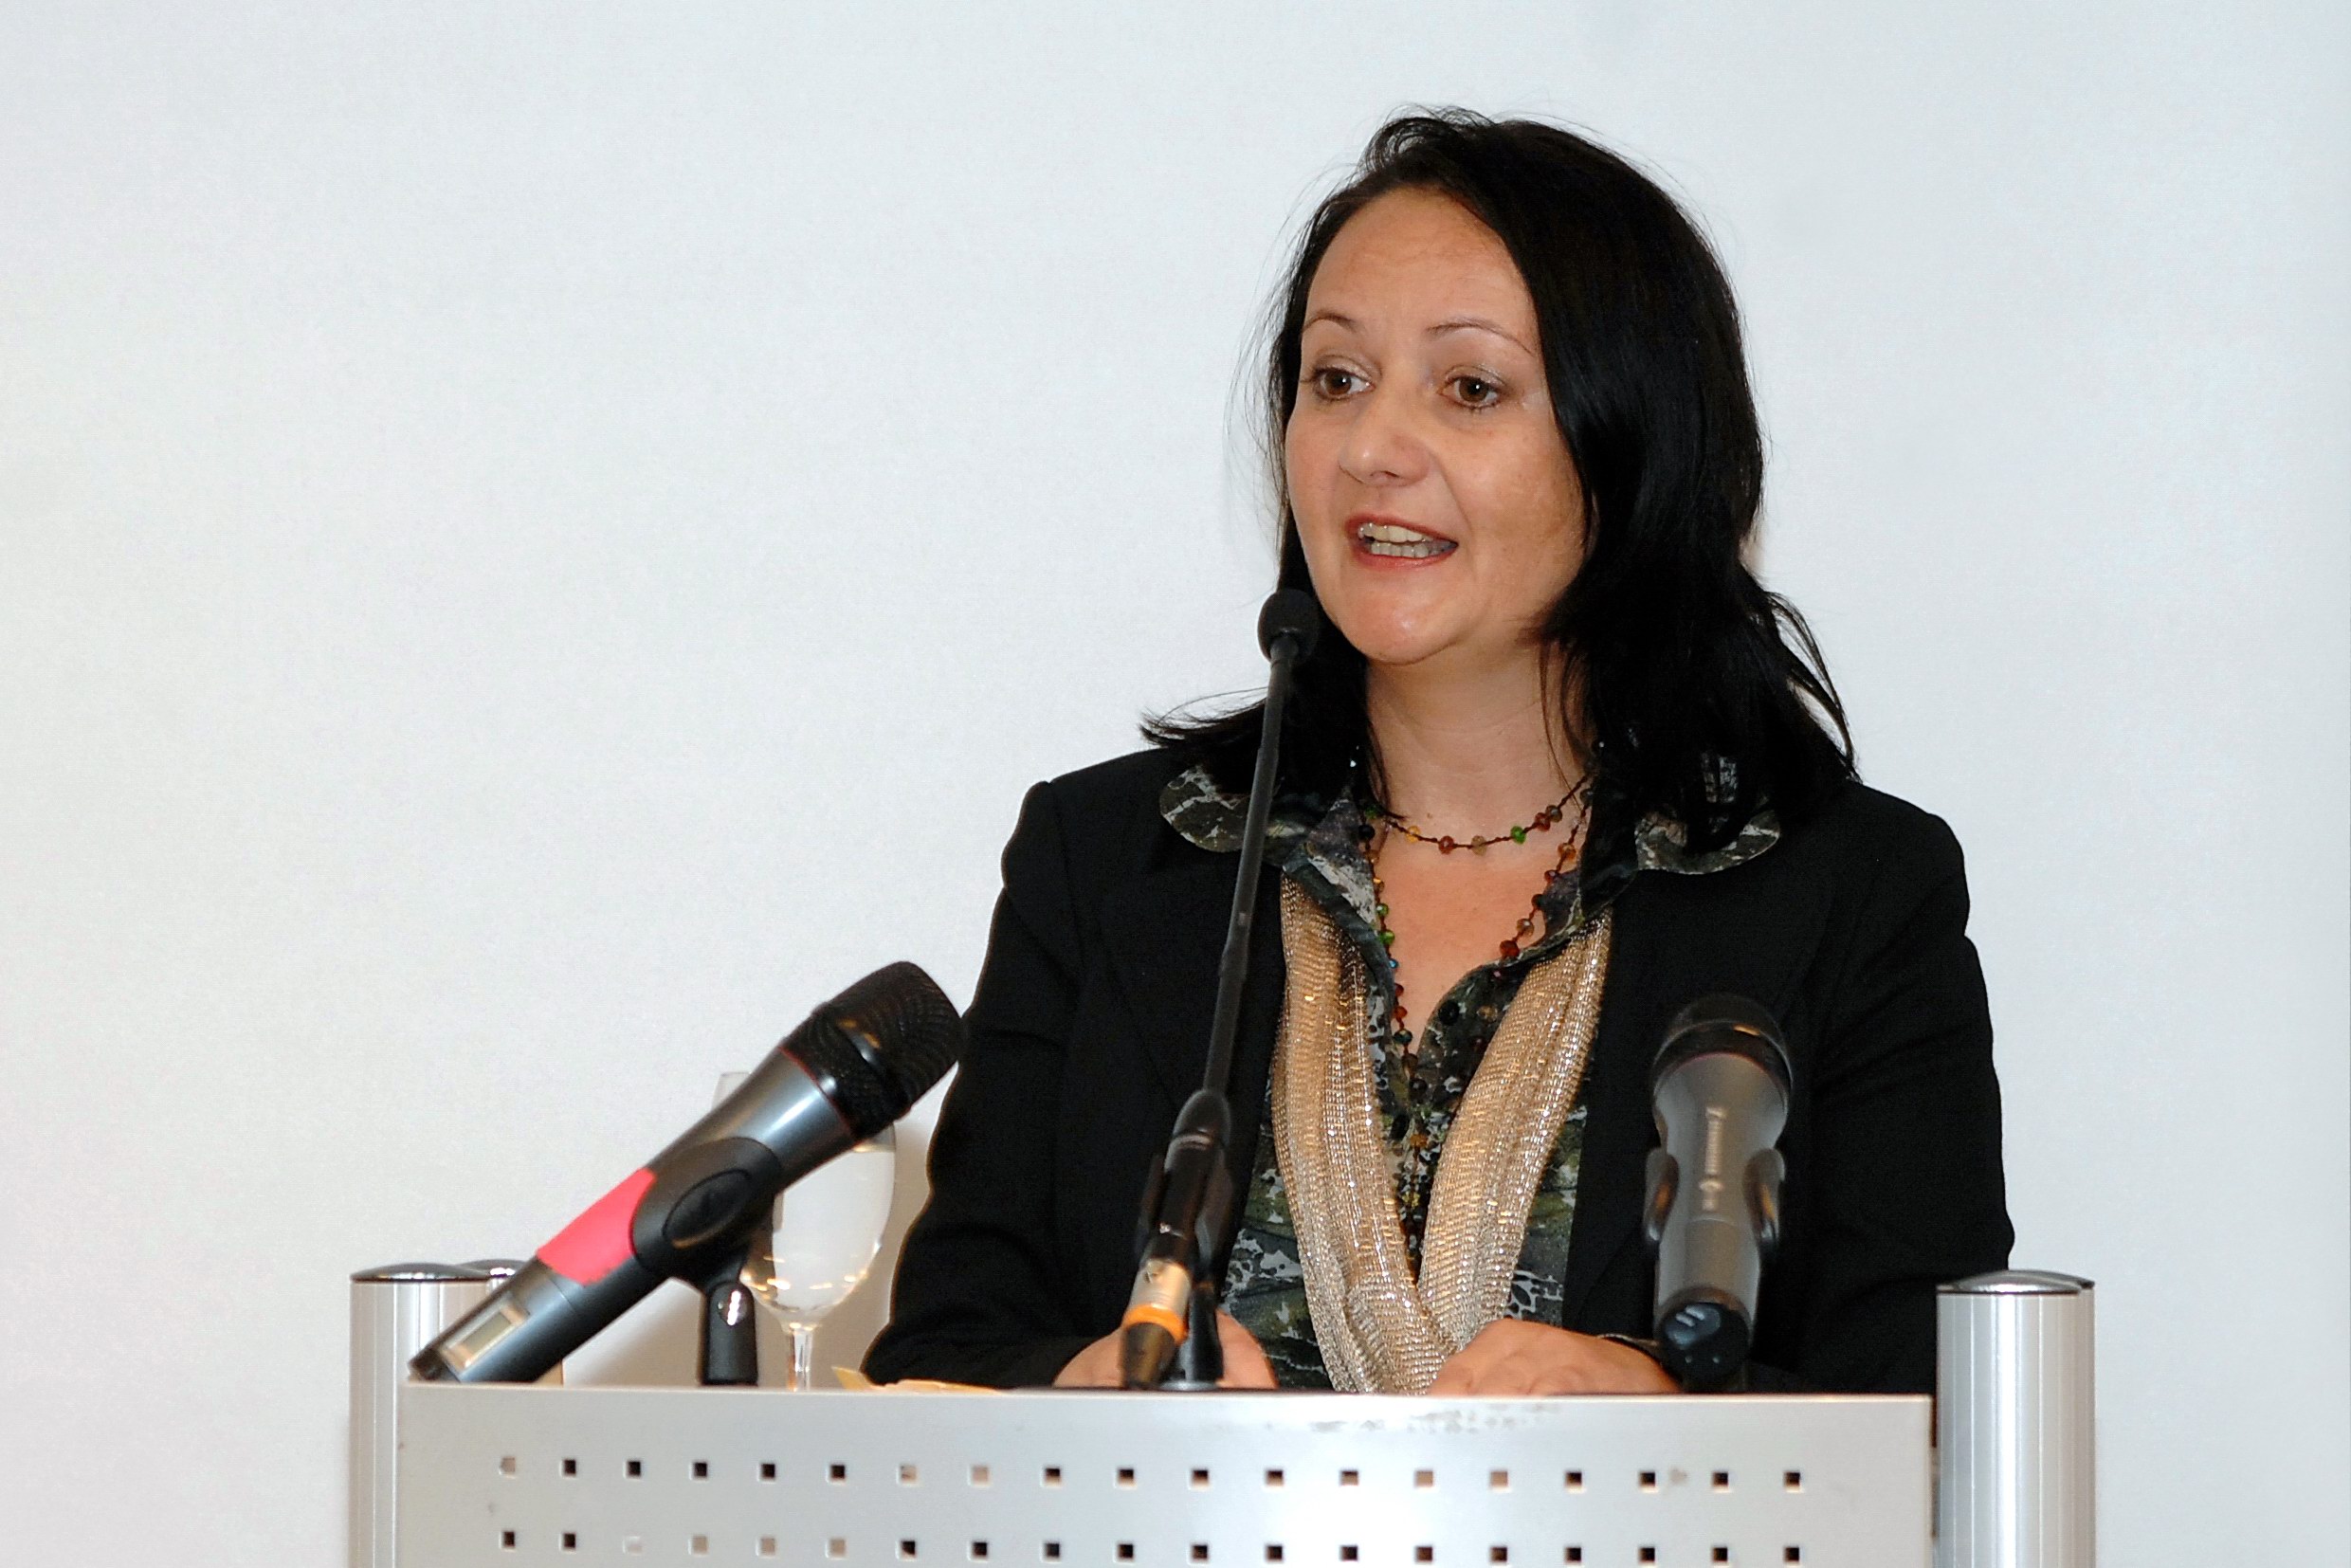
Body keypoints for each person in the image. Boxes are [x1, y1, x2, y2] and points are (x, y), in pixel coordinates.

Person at [864, 110, 2011, 1395]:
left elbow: (1933, 1410)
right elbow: (943, 1360)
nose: (1370, 450)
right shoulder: (1115, 860)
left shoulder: (1851, 892)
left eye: (1470, 389)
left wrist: (1662, 1410)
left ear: (1633, 442)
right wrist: (1080, 1395)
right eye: (1336, 380)